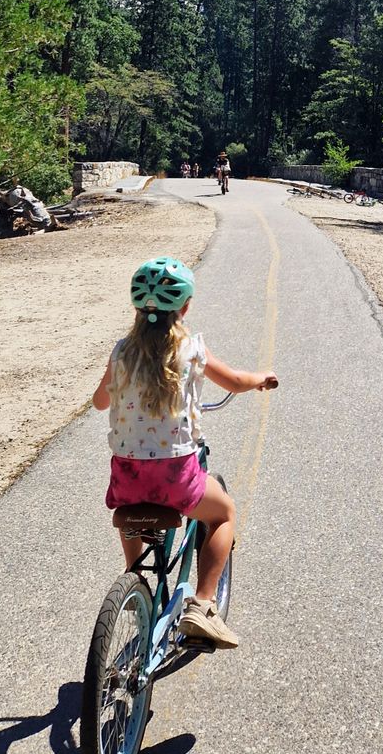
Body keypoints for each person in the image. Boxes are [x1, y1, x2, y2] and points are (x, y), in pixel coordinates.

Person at [92, 256, 277, 648]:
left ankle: (135, 578)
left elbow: (98, 403)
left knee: (134, 502)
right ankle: (204, 607)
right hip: (175, 479)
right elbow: (236, 381)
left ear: (137, 307)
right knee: (224, 512)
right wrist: (260, 379)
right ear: (186, 306)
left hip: (127, 477)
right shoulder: (192, 349)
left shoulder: (121, 351)